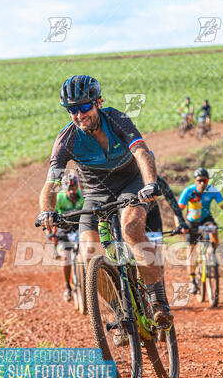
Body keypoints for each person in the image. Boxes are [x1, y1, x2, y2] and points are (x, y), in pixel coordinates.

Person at [37, 74, 173, 327]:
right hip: (96, 193)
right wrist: (47, 211)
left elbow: (141, 151)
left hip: (131, 183)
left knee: (132, 229)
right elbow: (51, 183)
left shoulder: (116, 119)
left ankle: (158, 300)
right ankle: (120, 311)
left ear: (98, 102)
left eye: (85, 107)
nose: (80, 115)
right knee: (88, 252)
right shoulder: (66, 139)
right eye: (72, 110)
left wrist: (151, 183)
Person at [175, 167, 223, 294]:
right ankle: (192, 280)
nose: (202, 183)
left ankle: (214, 251)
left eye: (205, 180)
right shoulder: (188, 191)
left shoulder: (212, 190)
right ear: (195, 181)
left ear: (208, 181)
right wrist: (179, 226)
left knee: (213, 228)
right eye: (199, 180)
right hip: (191, 222)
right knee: (191, 253)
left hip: (205, 219)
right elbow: (178, 211)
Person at [51, 172, 84, 301]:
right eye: (69, 189)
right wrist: (52, 236)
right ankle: (67, 288)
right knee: (66, 258)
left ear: (77, 187)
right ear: (64, 189)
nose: (72, 191)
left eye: (74, 188)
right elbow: (51, 218)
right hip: (64, 228)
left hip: (80, 226)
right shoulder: (59, 198)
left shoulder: (84, 196)